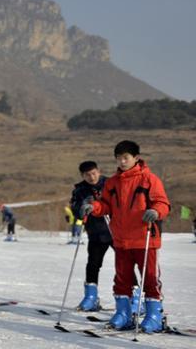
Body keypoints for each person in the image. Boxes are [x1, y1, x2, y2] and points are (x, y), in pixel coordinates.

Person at [82, 141, 170, 333]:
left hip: (144, 238)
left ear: (136, 158)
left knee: (150, 278)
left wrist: (155, 211)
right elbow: (105, 205)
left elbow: (162, 203)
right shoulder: (113, 182)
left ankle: (154, 315)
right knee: (122, 278)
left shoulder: (149, 179)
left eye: (126, 158)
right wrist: (94, 207)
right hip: (121, 239)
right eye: (118, 158)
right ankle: (123, 313)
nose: (122, 162)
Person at [70, 160, 113, 311]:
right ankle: (91, 297)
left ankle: (134, 296)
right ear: (83, 176)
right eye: (87, 175)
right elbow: (74, 209)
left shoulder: (110, 183)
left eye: (94, 173)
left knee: (124, 265)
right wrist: (81, 209)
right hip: (96, 232)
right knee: (93, 264)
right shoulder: (80, 190)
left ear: (99, 171)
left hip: (115, 230)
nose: (92, 177)